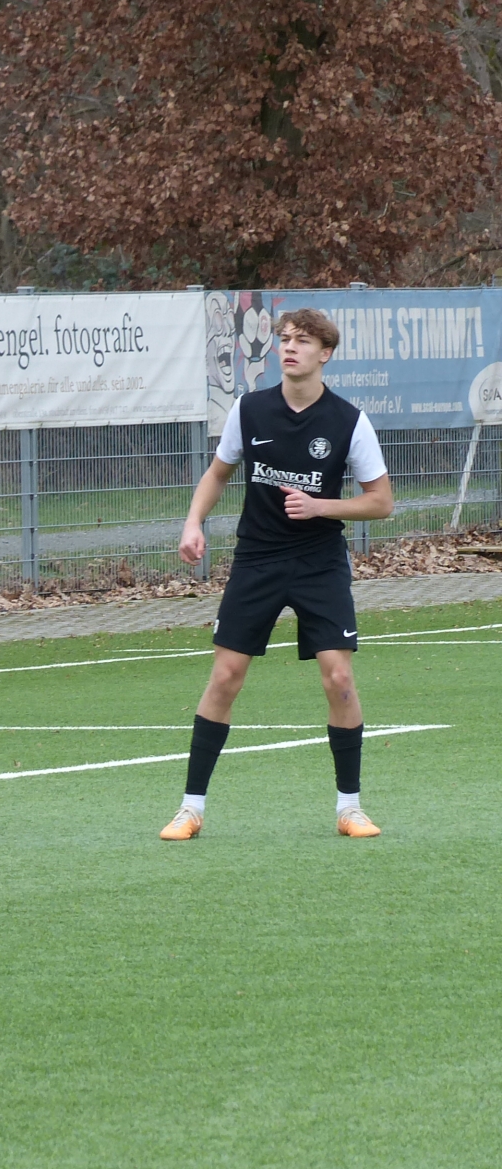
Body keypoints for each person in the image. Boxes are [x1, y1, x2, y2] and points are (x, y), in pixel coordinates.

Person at [163, 309, 393, 841]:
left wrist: (321, 507)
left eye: (302, 341)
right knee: (226, 676)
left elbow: (381, 502)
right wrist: (193, 523)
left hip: (319, 563)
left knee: (339, 678)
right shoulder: (250, 409)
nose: (289, 348)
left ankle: (350, 808)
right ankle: (190, 809)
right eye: (285, 339)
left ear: (325, 354)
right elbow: (217, 473)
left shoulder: (349, 421)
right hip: (258, 559)